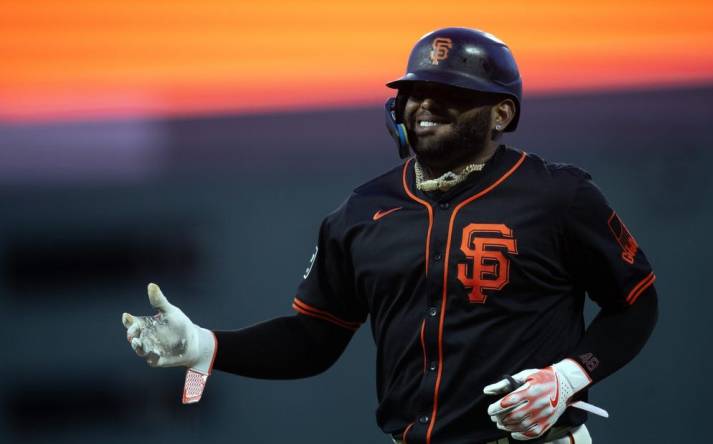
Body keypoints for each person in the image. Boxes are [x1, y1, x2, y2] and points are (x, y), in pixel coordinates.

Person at [122, 27, 658, 444]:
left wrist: (568, 376)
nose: (425, 103)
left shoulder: (557, 195)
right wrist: (204, 347)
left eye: (450, 91)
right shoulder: (362, 210)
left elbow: (635, 303)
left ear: (501, 113)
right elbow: (314, 340)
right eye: (416, 90)